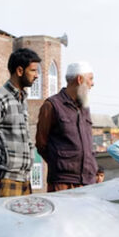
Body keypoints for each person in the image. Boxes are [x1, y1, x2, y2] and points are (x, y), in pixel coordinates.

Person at [0, 48, 41, 197]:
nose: (37, 75)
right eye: (33, 70)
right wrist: (0, 160)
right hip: (5, 177)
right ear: (19, 71)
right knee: (4, 214)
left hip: (24, 178)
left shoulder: (22, 100)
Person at [36, 61, 97, 191]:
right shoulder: (52, 105)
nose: (92, 84)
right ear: (79, 79)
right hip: (62, 183)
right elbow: (41, 144)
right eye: (90, 79)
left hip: (88, 182)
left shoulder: (84, 108)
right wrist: (59, 163)